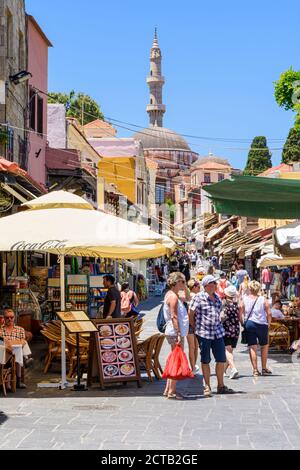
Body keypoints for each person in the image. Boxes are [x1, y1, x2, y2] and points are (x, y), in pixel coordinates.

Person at [189, 275, 234, 397]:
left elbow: (219, 313)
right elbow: (191, 313)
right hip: (204, 333)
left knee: (221, 359)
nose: (213, 285)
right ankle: (207, 386)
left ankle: (220, 385)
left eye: (214, 283)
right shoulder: (198, 297)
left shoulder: (218, 298)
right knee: (205, 360)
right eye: (211, 283)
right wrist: (195, 327)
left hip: (218, 332)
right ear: (205, 285)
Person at [163, 272, 189, 399]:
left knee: (174, 359)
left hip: (173, 332)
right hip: (174, 332)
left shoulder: (171, 294)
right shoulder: (173, 297)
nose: (184, 284)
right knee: (176, 361)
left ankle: (168, 389)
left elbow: (187, 297)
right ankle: (172, 391)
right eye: (182, 282)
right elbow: (174, 316)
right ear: (176, 282)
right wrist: (178, 333)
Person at [240, 280, 272, 377]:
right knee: (264, 346)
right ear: (258, 289)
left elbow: (240, 311)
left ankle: (255, 370)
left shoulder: (244, 299)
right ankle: (264, 368)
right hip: (262, 324)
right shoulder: (263, 299)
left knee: (252, 347)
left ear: (249, 288)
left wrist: (243, 323)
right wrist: (268, 324)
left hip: (250, 323)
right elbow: (269, 313)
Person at [0, 309, 33, 389]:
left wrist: (10, 342)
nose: (9, 319)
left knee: (18, 350)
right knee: (17, 351)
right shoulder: (0, 330)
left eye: (11, 317)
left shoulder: (20, 329)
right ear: (4, 318)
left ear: (14, 318)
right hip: (4, 353)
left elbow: (22, 341)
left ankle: (17, 380)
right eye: (7, 317)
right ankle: (25, 360)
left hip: (15, 351)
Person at [223, 286, 240, 379]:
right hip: (236, 329)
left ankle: (233, 368)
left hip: (226, 329)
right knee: (229, 350)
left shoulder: (225, 305)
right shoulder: (236, 304)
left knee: (227, 350)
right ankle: (224, 371)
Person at [187, 279, 201, 373]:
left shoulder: (188, 296)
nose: (200, 288)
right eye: (199, 287)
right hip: (192, 323)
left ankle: (193, 366)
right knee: (194, 347)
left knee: (192, 347)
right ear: (195, 287)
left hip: (190, 323)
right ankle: (193, 367)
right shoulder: (195, 297)